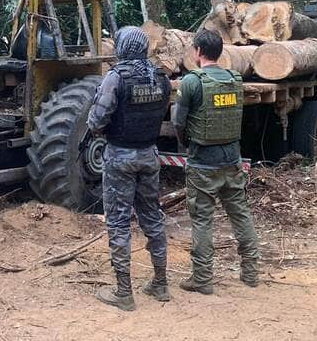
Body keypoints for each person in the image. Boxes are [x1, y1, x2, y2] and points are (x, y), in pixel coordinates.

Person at [87, 26, 172, 311]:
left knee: (119, 222)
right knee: (152, 218)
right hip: (149, 155)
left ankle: (124, 291)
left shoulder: (116, 77)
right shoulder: (161, 76)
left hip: (120, 158)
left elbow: (96, 121)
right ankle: (160, 284)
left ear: (123, 47)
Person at [172, 29, 259, 294]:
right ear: (220, 52)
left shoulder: (191, 82)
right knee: (240, 215)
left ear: (198, 51)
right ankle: (251, 273)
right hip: (232, 160)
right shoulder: (234, 79)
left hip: (203, 163)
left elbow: (178, 122)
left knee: (202, 220)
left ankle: (202, 279)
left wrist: (186, 143)